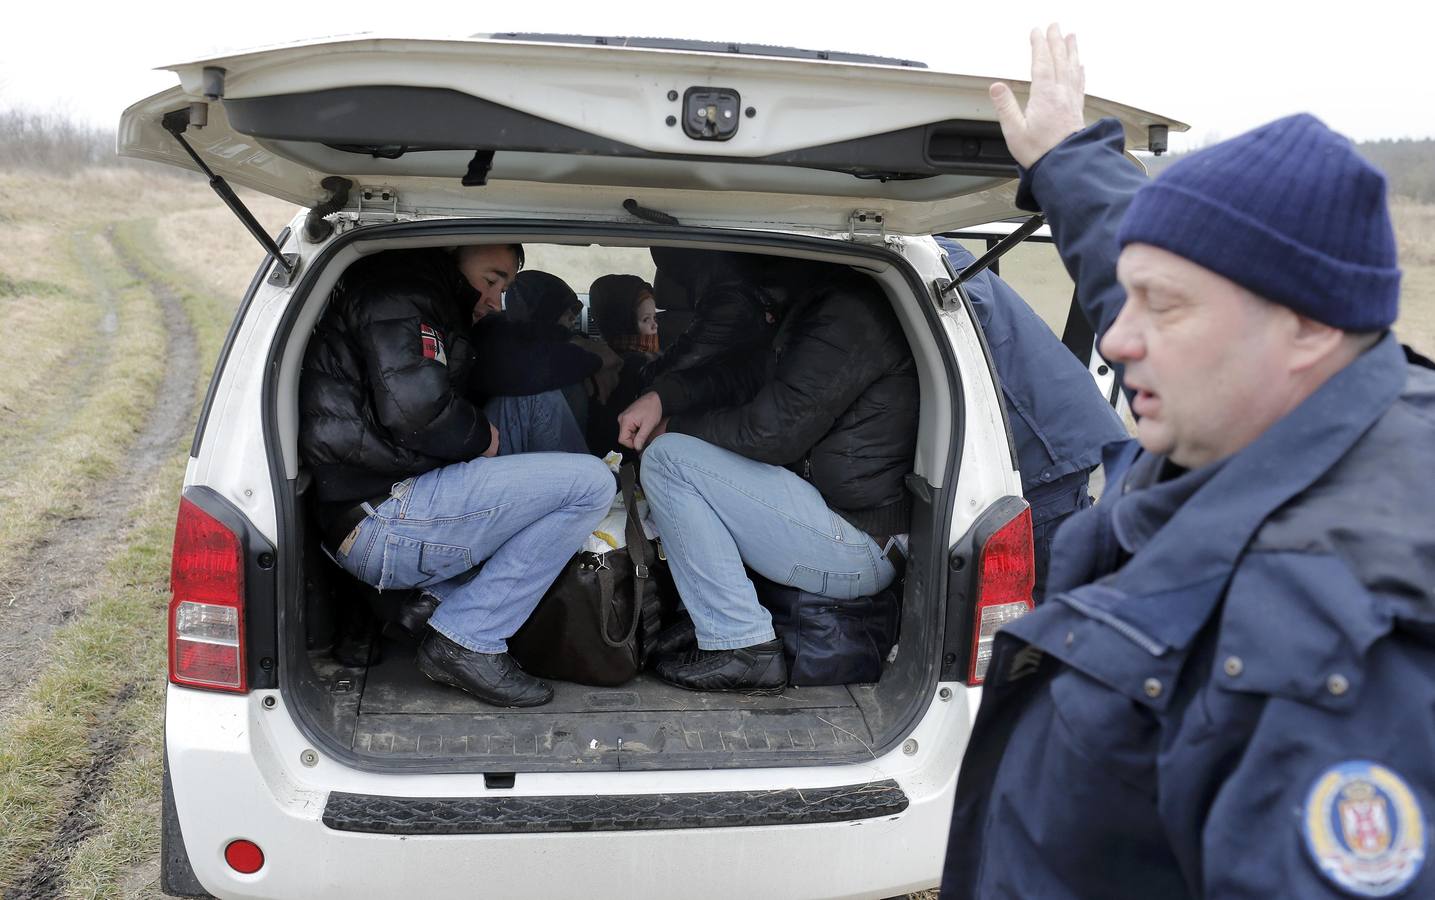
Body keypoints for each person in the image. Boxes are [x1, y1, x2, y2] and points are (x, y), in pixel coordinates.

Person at [941, 26, 1435, 900]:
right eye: (1124, 293)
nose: (1118, 340)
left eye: (1159, 306)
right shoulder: (1267, 389)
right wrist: (1065, 156)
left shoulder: (1321, 637)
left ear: (1309, 326)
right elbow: (1145, 263)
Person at [299, 243, 616, 709]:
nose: (494, 297)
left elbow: (509, 365)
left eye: (505, 288)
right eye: (491, 280)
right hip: (381, 520)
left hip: (378, 502)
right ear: (456, 252)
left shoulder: (431, 298)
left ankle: (442, 596)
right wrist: (476, 439)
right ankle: (469, 637)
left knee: (526, 404)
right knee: (592, 485)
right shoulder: (402, 296)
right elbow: (414, 410)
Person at [617, 257, 919, 693]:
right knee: (687, 458)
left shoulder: (849, 315)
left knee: (669, 459)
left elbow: (773, 434)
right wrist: (664, 396)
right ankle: (710, 617)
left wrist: (674, 426)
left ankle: (741, 645)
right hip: (837, 519)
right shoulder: (820, 305)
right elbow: (751, 377)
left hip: (859, 541)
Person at [933, 236, 1127, 600]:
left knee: (1050, 609)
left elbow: (953, 315)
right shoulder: (932, 249)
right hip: (1056, 444)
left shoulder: (932, 254)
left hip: (1046, 452)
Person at [589, 273, 660, 355]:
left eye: (654, 317)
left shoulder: (601, 358)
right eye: (646, 319)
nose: (656, 325)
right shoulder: (640, 362)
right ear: (623, 322)